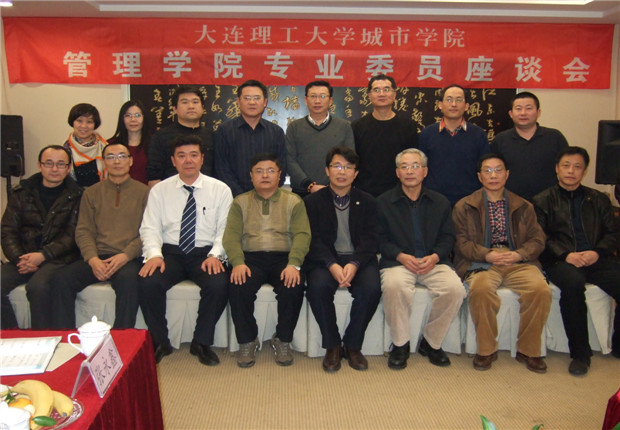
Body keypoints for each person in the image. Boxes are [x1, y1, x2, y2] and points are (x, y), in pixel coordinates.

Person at [452, 153, 551, 373]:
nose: (493, 175)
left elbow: (537, 240)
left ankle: (529, 350)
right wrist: (486, 254)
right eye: (487, 171)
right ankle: (486, 349)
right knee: (481, 289)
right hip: (481, 261)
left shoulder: (524, 206)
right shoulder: (464, 206)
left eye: (498, 170)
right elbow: (460, 242)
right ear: (479, 176)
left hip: (517, 260)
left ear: (507, 174)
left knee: (540, 290)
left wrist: (519, 254)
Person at [139, 135, 232, 365]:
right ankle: (160, 341)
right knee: (148, 282)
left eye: (193, 155)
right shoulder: (160, 190)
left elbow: (226, 229)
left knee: (218, 284)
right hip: (170, 253)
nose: (188, 160)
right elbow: (150, 227)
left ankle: (201, 342)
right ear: (173, 161)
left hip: (205, 253)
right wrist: (154, 255)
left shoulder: (220, 189)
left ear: (202, 159)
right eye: (181, 156)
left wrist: (215, 255)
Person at [533, 146, 620, 375]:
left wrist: (597, 252)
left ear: (584, 171)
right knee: (573, 285)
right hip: (560, 260)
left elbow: (612, 234)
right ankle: (581, 354)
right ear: (557, 169)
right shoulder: (542, 200)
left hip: (595, 257)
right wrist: (566, 255)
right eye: (566, 166)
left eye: (577, 167)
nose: (571, 171)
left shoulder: (598, 199)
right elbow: (540, 238)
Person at [377, 148, 465, 370]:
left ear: (425, 171)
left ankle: (431, 342)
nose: (410, 171)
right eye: (404, 167)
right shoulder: (383, 202)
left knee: (455, 289)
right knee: (394, 286)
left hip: (433, 261)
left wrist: (435, 256)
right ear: (397, 172)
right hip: (398, 261)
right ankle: (400, 344)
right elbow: (378, 238)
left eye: (415, 166)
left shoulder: (440, 202)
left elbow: (448, 237)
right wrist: (400, 255)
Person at [223, 153, 310, 368]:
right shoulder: (240, 202)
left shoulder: (294, 201)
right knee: (238, 285)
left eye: (271, 171)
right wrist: (238, 262)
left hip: (284, 257)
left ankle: (282, 339)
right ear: (251, 175)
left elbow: (302, 235)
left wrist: (294, 264)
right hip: (250, 258)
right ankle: (247, 341)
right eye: (259, 171)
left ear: (279, 175)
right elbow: (231, 236)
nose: (265, 175)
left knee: (293, 286)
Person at [51, 143, 149, 329]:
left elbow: (148, 232)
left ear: (130, 161)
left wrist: (125, 255)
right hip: (98, 255)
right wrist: (93, 259)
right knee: (61, 279)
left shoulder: (145, 192)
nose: (117, 161)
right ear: (104, 162)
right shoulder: (91, 192)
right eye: (110, 157)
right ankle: (65, 336)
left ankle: (122, 337)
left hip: (128, 258)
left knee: (130, 281)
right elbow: (83, 230)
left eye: (122, 156)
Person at [304, 146, 381, 372]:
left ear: (355, 174)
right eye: (336, 166)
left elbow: (371, 239)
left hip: (359, 259)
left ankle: (353, 345)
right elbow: (312, 239)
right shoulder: (312, 202)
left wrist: (354, 264)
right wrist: (332, 265)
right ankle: (333, 345)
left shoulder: (368, 201)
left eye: (348, 167)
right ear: (327, 171)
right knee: (317, 287)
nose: (342, 171)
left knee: (371, 289)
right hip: (324, 259)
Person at [1, 145, 82, 329]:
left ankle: (43, 337)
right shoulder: (20, 193)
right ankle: (12, 336)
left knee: (38, 287)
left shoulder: (78, 195)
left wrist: (43, 255)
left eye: (60, 164)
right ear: (39, 165)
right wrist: (19, 258)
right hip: (23, 256)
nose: (54, 169)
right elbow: (8, 230)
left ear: (68, 168)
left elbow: (73, 235)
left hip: (58, 259)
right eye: (49, 163)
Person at [418, 84, 489, 206]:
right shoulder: (427, 134)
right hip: (433, 201)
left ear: (466, 106)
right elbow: (421, 168)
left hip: (469, 201)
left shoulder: (478, 135)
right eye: (449, 100)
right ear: (440, 104)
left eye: (459, 100)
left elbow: (485, 168)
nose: (454, 104)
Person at [214, 79, 287, 197]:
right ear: (238, 101)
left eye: (257, 98)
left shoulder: (276, 132)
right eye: (247, 98)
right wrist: (241, 196)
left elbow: (281, 166)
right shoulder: (224, 131)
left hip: (268, 197)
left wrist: (267, 192)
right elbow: (221, 168)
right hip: (233, 198)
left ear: (265, 102)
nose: (252, 102)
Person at [491, 91, 568, 201]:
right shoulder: (500, 140)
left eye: (528, 108)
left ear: (538, 112)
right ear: (511, 114)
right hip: (511, 203)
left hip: (549, 203)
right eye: (518, 109)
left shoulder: (555, 137)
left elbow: (566, 167)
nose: (523, 113)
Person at [351, 74, 417, 197]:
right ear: (369, 96)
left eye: (386, 89)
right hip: (365, 192)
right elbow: (353, 161)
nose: (381, 94)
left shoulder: (408, 126)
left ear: (394, 94)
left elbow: (413, 160)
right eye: (376, 90)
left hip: (399, 193)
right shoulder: (357, 127)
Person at [286, 80, 354, 197]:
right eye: (313, 96)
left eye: (322, 96)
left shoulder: (344, 127)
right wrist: (309, 185)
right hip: (302, 192)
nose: (317, 101)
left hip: (335, 191)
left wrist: (332, 185)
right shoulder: (294, 127)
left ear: (330, 101)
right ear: (306, 100)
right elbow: (290, 160)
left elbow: (349, 160)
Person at [146, 85, 214, 187]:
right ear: (174, 109)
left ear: (203, 108)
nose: (191, 106)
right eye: (185, 102)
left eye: (195, 102)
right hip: (171, 192)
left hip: (207, 192)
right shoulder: (161, 136)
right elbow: (153, 176)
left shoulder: (212, 136)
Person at [63, 103, 108, 187]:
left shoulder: (105, 148)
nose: (84, 126)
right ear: (72, 122)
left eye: (89, 122)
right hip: (73, 194)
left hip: (101, 193)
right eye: (79, 121)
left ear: (95, 124)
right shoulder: (65, 150)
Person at [108, 100, 151, 184]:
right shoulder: (111, 145)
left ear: (144, 118)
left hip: (148, 191)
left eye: (137, 115)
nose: (133, 119)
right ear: (122, 119)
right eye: (128, 115)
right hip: (117, 190)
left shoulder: (155, 144)